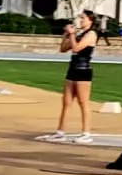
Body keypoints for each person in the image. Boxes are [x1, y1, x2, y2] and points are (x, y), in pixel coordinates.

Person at [39, 10, 98, 144]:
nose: (81, 20)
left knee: (83, 103)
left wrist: (72, 35)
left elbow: (77, 48)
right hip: (72, 69)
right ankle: (60, 132)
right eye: (80, 18)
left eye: (83, 18)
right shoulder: (79, 34)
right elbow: (63, 48)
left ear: (90, 20)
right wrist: (66, 35)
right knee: (66, 102)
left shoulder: (91, 34)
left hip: (84, 71)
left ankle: (86, 133)